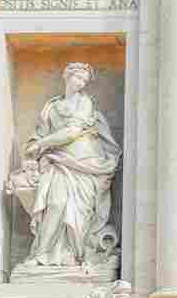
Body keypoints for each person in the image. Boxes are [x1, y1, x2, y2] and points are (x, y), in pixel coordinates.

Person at [16, 63, 121, 272]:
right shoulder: (52, 106)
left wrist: (42, 144)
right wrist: (34, 150)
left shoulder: (84, 103)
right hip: (56, 161)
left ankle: (75, 255)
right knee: (55, 204)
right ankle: (42, 254)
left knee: (77, 212)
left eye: (84, 80)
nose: (81, 83)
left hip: (83, 163)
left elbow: (72, 132)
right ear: (67, 77)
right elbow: (39, 134)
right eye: (77, 78)